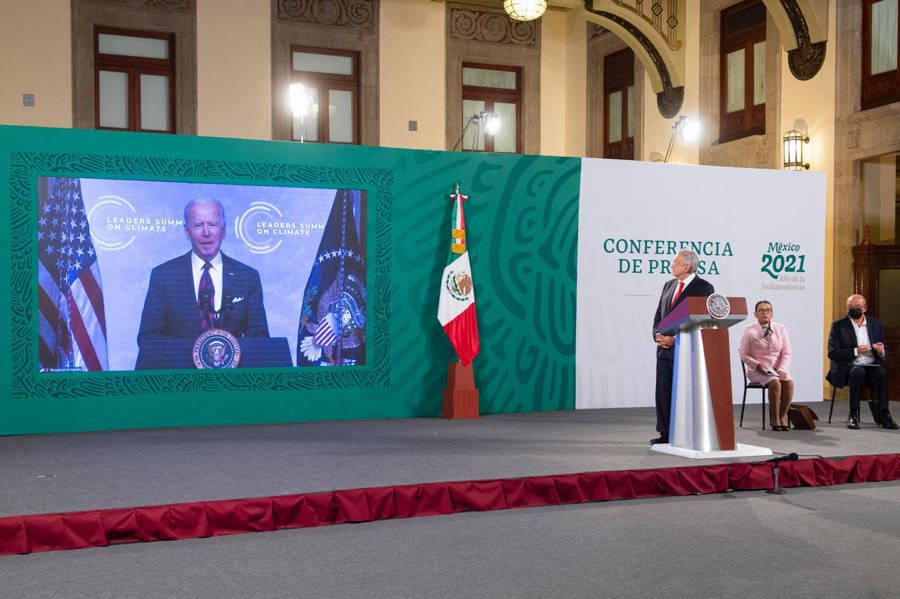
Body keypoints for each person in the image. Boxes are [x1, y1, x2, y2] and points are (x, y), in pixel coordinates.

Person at [137, 199, 269, 347]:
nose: (206, 232)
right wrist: (194, 356)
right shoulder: (164, 276)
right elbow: (148, 338)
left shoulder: (247, 277)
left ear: (223, 230)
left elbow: (260, 337)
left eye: (213, 224)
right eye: (199, 225)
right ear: (187, 232)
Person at [651, 249, 715, 445]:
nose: (671, 265)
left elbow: (701, 321)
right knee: (663, 392)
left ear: (686, 266)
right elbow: (658, 317)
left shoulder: (704, 288)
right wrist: (658, 335)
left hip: (687, 352)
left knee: (684, 394)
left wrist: (675, 338)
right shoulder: (668, 285)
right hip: (664, 350)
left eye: (675, 262)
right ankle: (665, 433)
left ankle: (684, 434)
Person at [826, 294, 898, 430]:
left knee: (881, 373)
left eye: (857, 307)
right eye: (850, 307)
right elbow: (832, 353)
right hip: (849, 367)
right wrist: (856, 351)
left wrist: (881, 350)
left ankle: (884, 414)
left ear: (864, 308)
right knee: (857, 372)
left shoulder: (875, 324)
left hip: (871, 364)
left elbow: (885, 351)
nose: (854, 310)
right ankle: (853, 414)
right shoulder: (838, 326)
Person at [739, 300, 794, 430]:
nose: (765, 313)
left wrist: (782, 369)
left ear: (772, 314)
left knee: (789, 383)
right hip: (757, 370)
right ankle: (774, 418)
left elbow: (787, 352)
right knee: (775, 382)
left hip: (777, 369)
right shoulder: (749, 330)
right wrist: (758, 366)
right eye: (761, 311)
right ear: (755, 314)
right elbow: (744, 355)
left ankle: (782, 416)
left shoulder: (780, 328)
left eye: (768, 310)